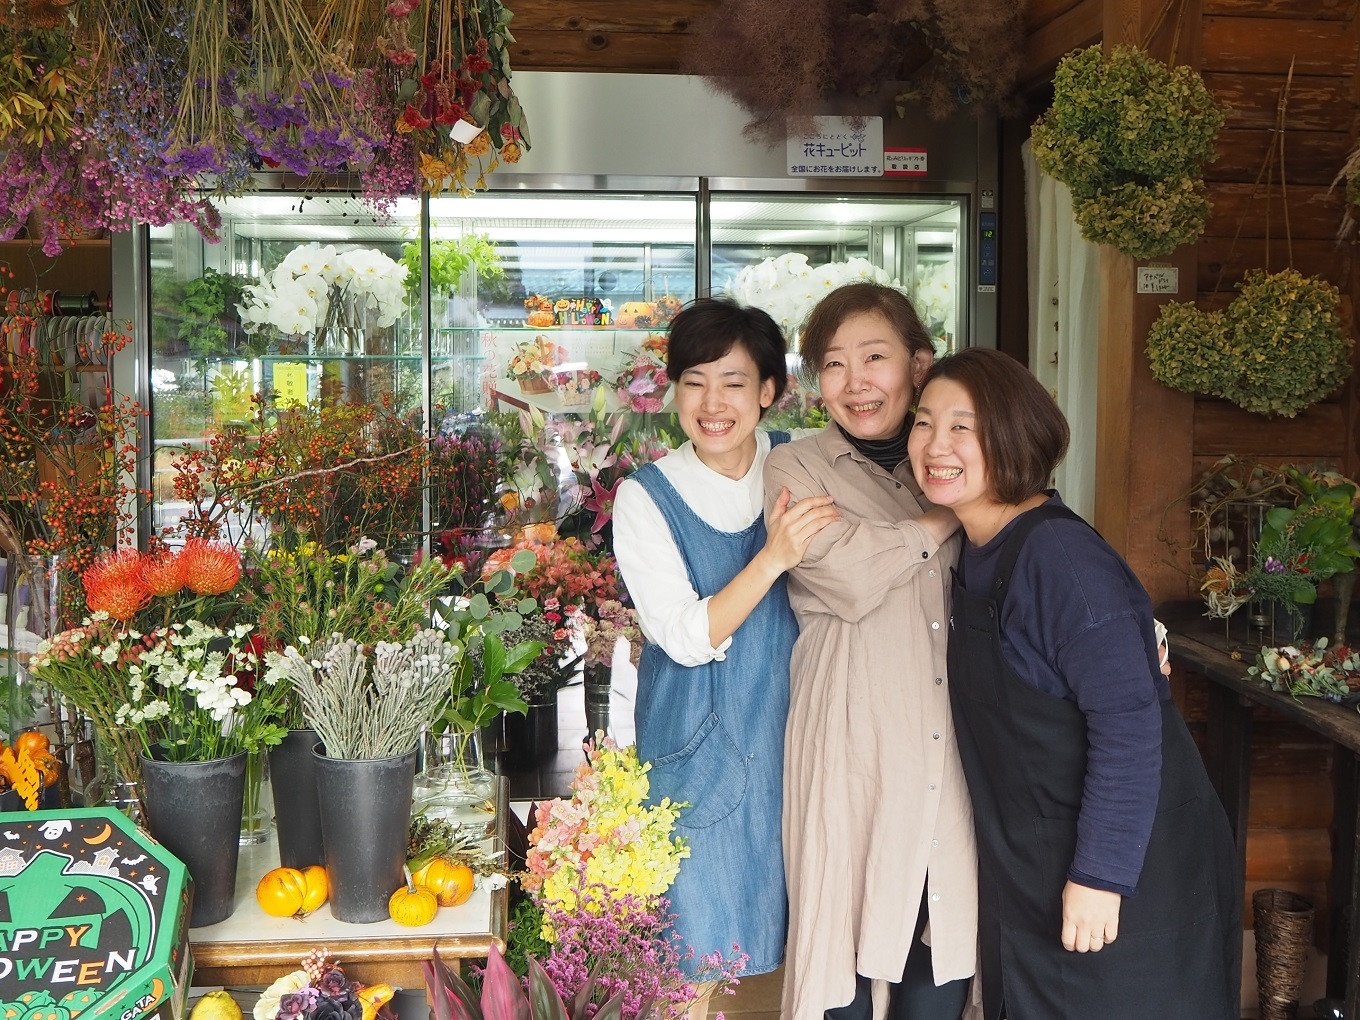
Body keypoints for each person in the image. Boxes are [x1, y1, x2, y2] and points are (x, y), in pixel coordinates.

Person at [907, 346, 1240, 1019]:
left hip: (1128, 871)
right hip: (1030, 864)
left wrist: (1100, 876)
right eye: (923, 422)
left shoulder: (1061, 560)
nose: (936, 444)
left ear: (1014, 435)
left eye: (962, 426)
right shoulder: (972, 550)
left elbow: (1129, 723)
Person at [612, 298, 840, 1008]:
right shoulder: (646, 498)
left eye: (734, 382)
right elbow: (684, 636)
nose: (713, 403)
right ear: (673, 389)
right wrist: (773, 559)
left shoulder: (805, 469)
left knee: (807, 954)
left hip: (799, 743)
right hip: (696, 753)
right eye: (695, 380)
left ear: (770, 392)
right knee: (692, 963)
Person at [763, 282, 977, 1020]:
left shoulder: (961, 457)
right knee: (841, 950)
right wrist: (940, 521)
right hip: (848, 735)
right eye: (833, 365)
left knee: (939, 939)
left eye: (875, 358)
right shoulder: (798, 468)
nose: (856, 383)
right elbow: (847, 579)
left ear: (919, 364)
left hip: (953, 738)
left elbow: (1036, 550)